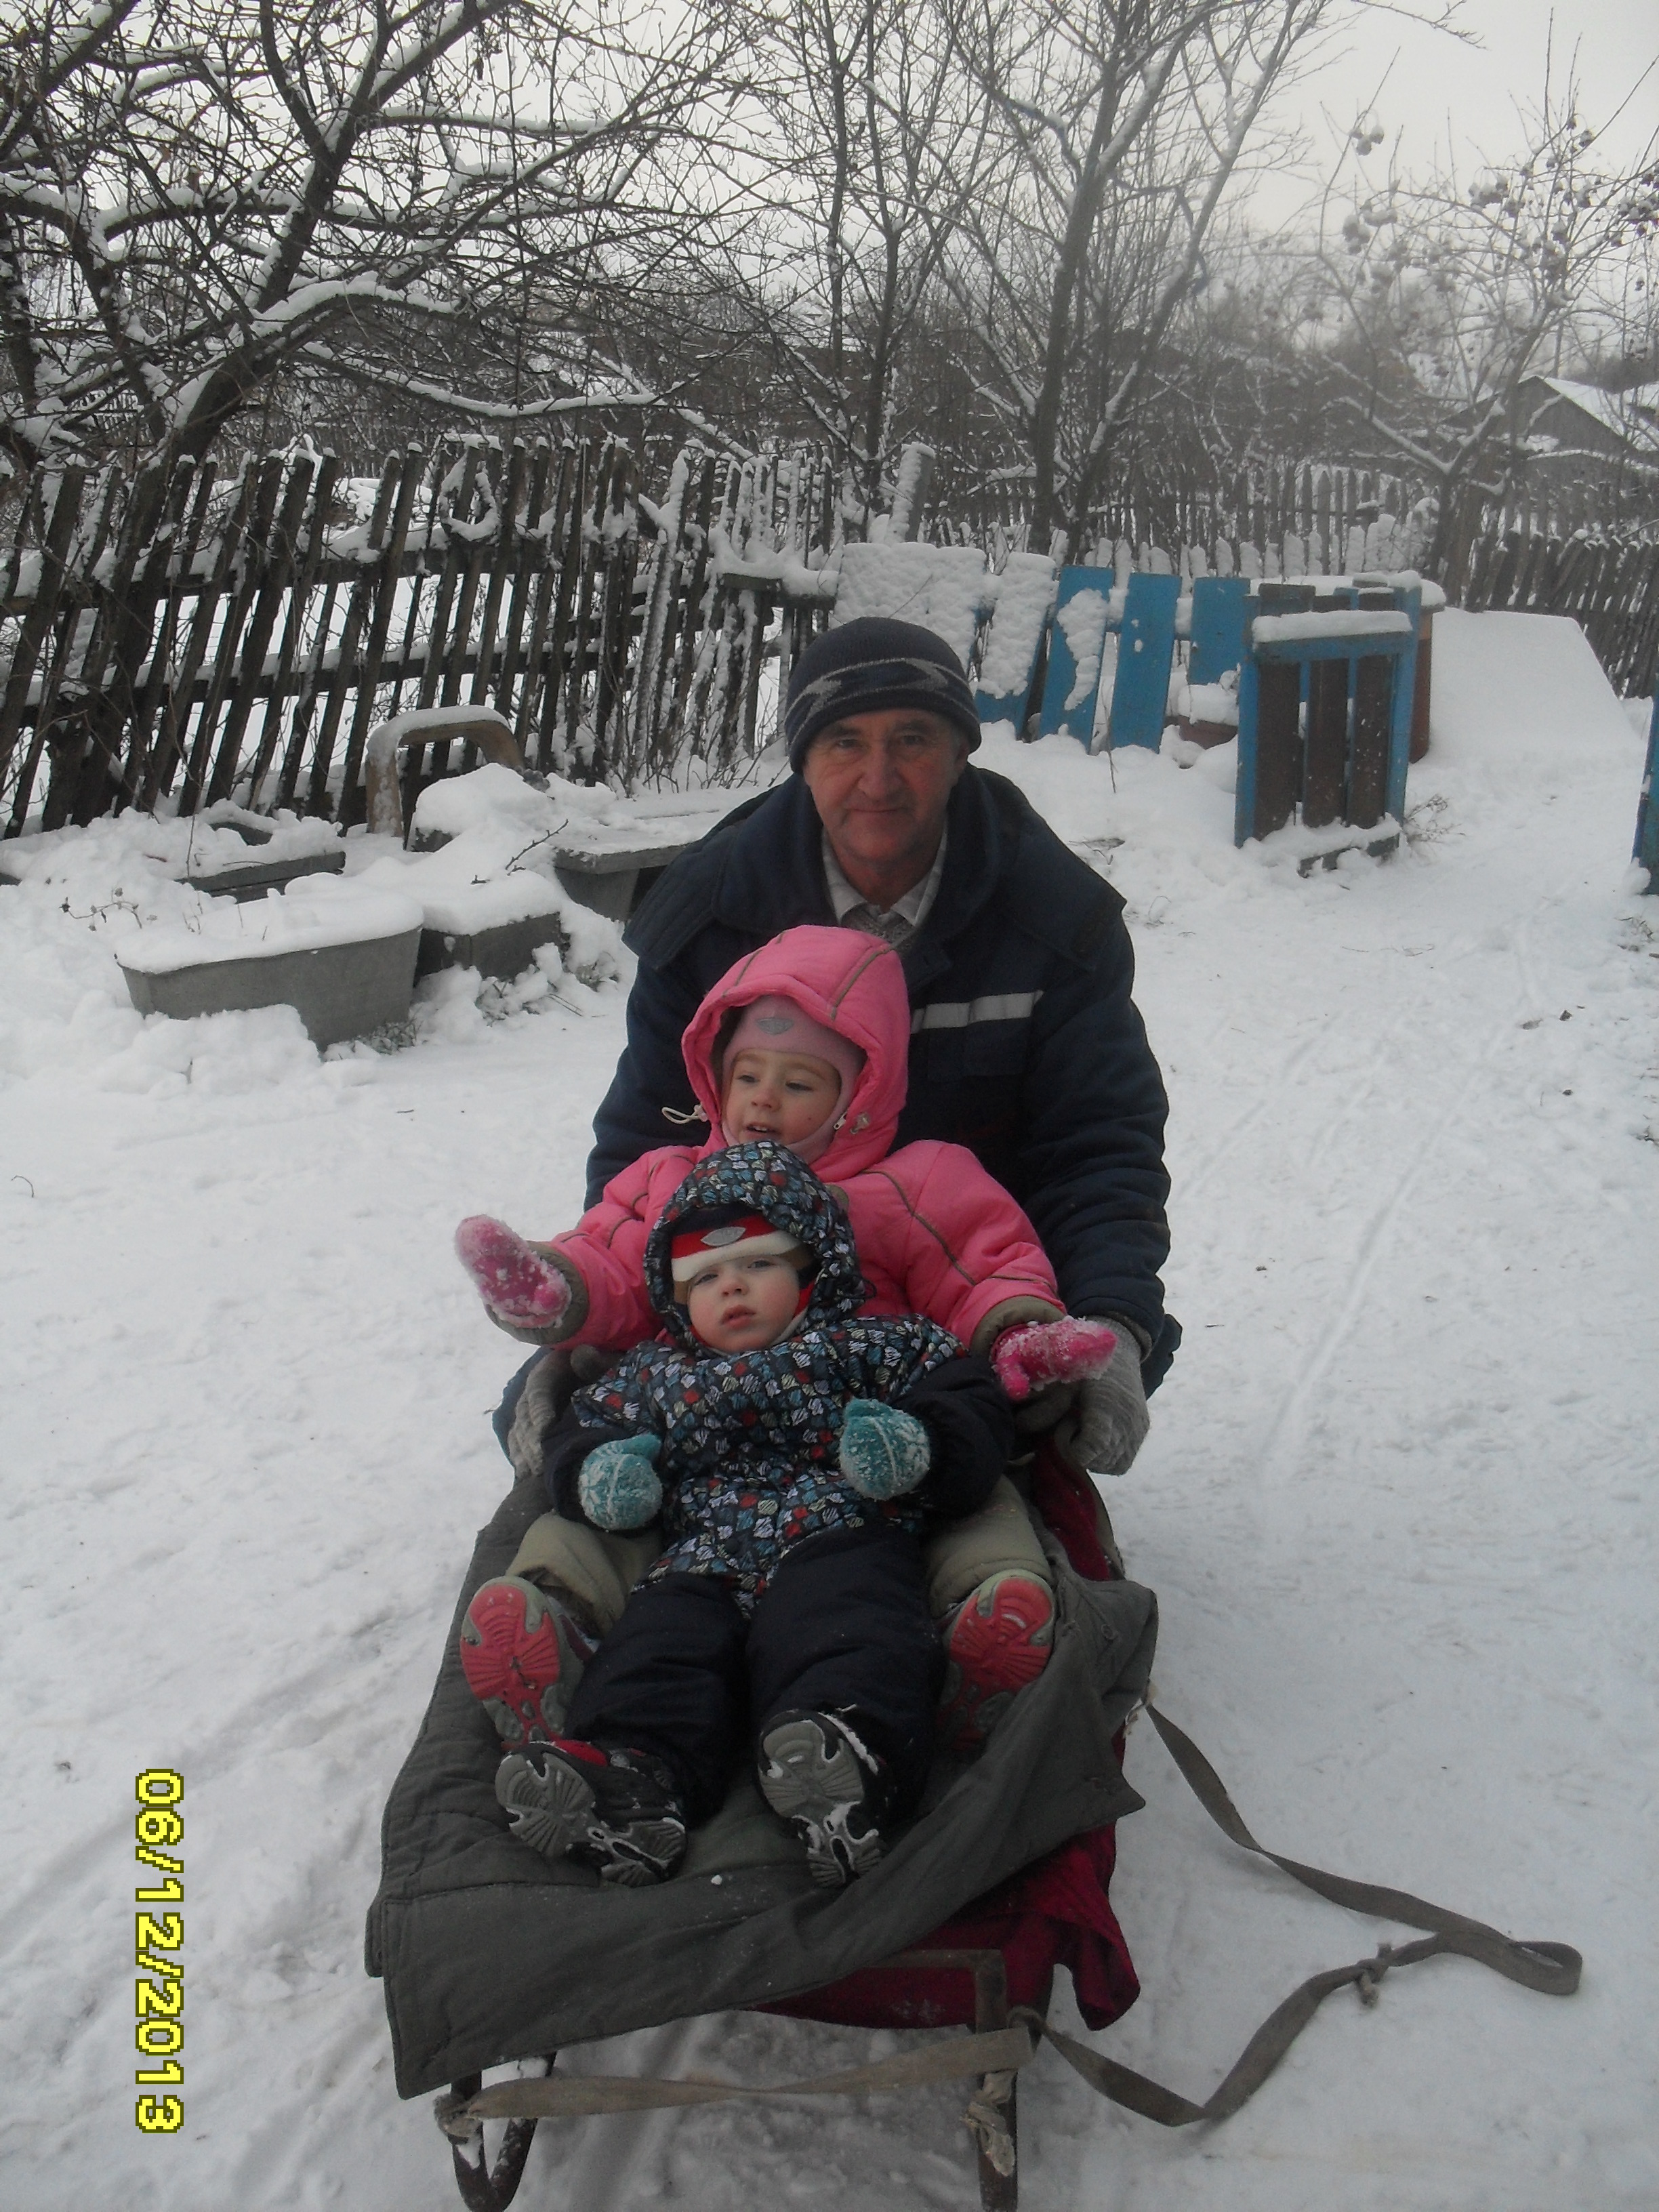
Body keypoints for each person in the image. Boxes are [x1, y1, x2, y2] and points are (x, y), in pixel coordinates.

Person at [525, 613, 1177, 1503]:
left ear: (961, 752)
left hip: (972, 1280)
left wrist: (1112, 1319)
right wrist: (592, 1327)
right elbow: (649, 1142)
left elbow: (1099, 1146)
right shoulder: (712, 917)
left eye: (912, 740)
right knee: (578, 1430)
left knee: (1002, 1428)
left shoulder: (1055, 920)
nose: (878, 778)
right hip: (747, 1282)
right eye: (844, 743)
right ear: (802, 761)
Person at [457, 924, 1122, 1754]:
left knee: (979, 1499)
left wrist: (1018, 1335)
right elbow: (618, 1260)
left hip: (877, 1443)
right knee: (595, 1522)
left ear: (859, 1095)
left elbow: (983, 1267)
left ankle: (983, 1624)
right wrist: (559, 1288)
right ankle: (553, 1620)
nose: (764, 1102)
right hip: (698, 1449)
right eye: (747, 1076)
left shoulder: (915, 1182)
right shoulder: (673, 1182)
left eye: (799, 1082)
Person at [492, 1141, 1016, 1890]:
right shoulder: (655, 1372)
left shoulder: (873, 1342)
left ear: (813, 1269)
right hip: (699, 1559)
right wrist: (601, 1473)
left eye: (759, 1264)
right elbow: (585, 1428)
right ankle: (634, 1781)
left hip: (839, 1534)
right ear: (678, 1299)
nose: (731, 1286)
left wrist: (918, 1446)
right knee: (657, 1654)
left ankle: (848, 1757)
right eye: (704, 1277)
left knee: (848, 1632)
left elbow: (966, 1397)